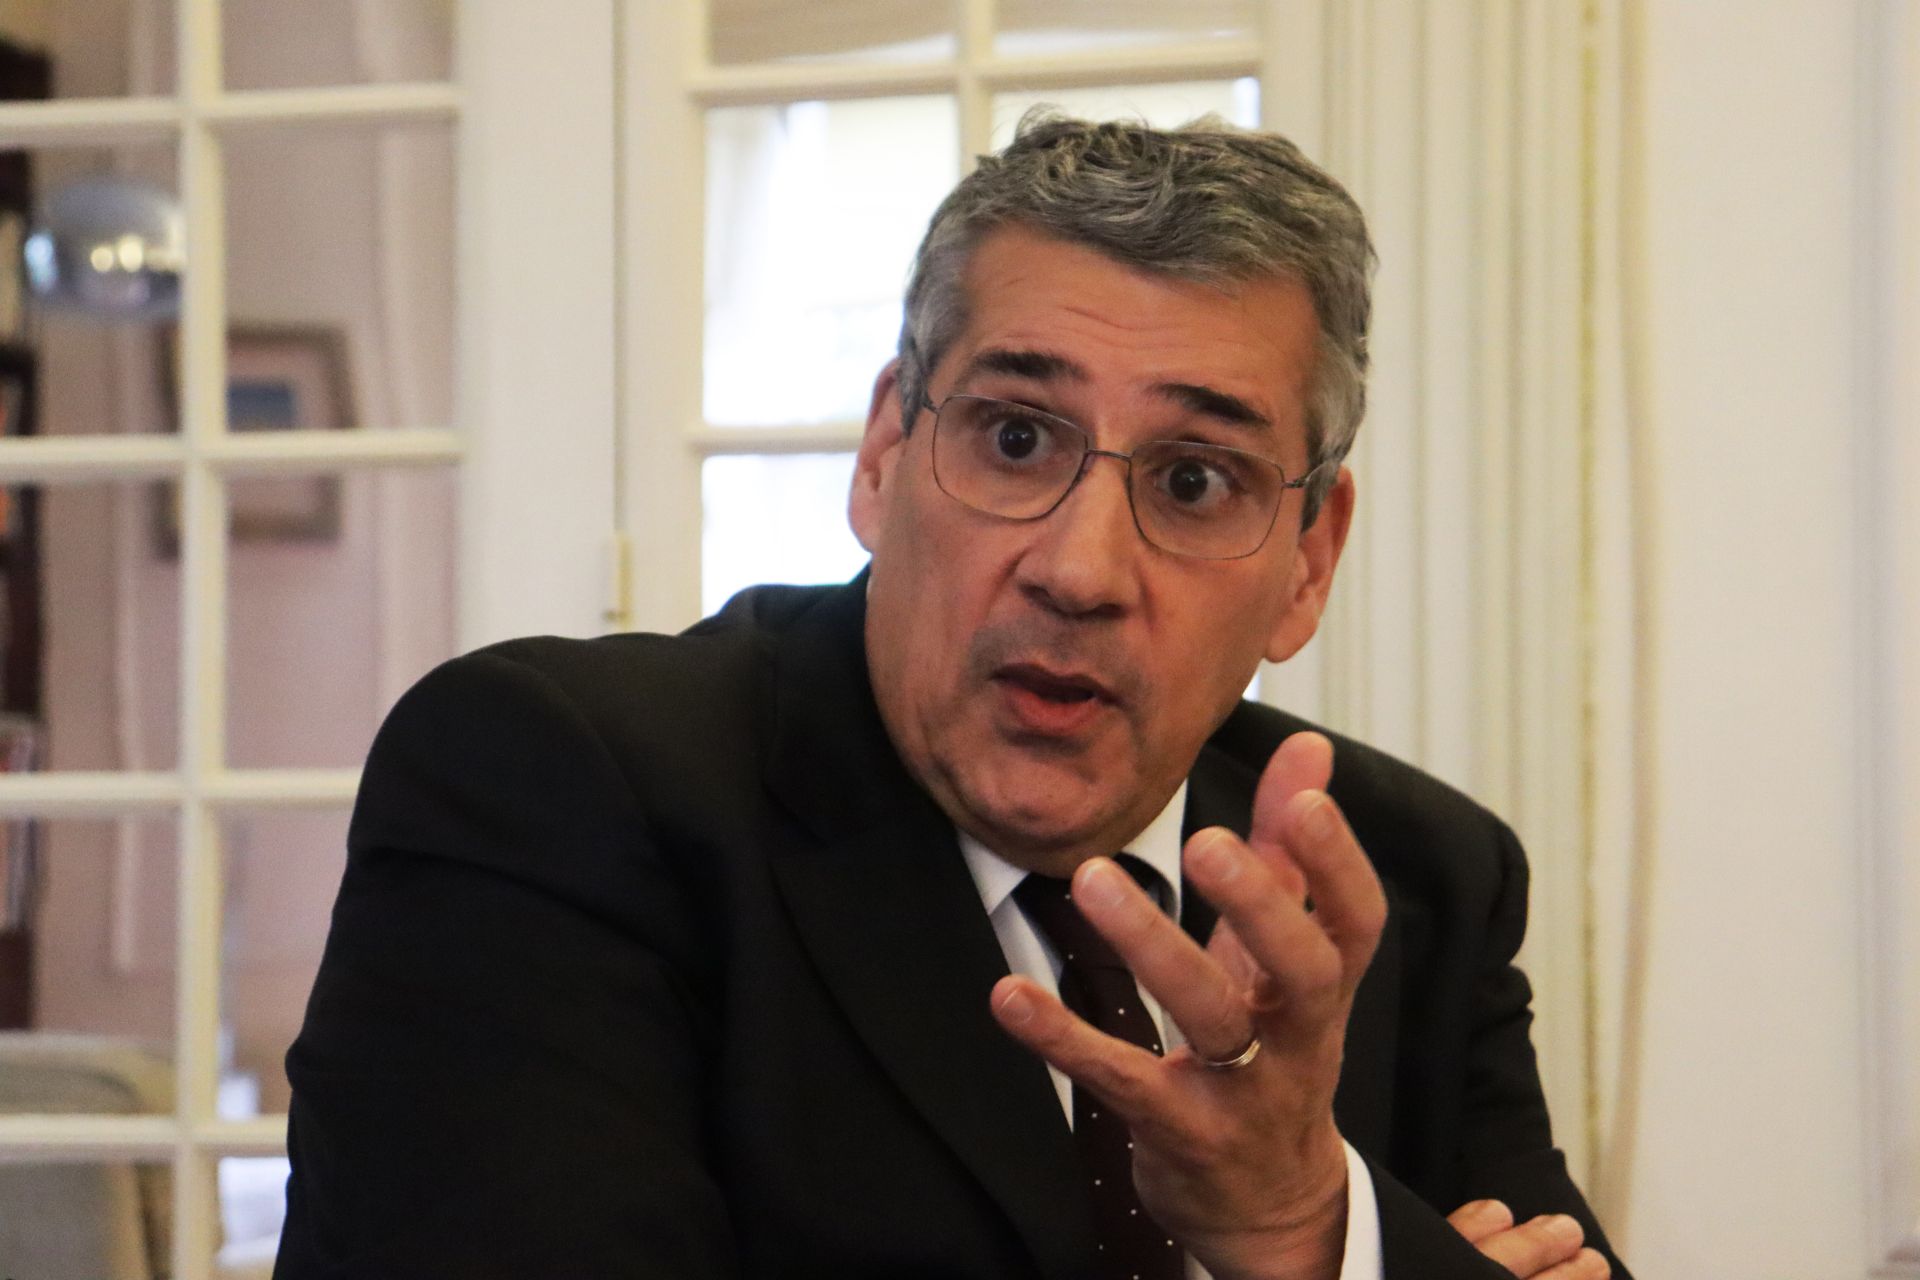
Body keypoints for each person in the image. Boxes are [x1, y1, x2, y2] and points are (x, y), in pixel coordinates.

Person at [272, 115, 1628, 1280]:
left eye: (1194, 480)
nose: (1078, 570)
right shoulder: (555, 788)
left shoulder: (1409, 879)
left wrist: (1306, 1224)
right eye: (1016, 437)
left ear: (1308, 562)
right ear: (885, 453)